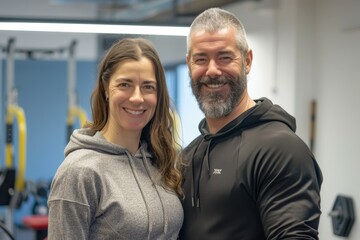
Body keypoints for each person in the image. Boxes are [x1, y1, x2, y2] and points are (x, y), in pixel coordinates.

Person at [179, 8, 323, 240]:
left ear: (247, 60)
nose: (212, 70)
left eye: (224, 57)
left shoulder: (280, 149)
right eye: (201, 59)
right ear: (189, 64)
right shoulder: (189, 155)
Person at [48, 38, 184, 239]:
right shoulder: (79, 172)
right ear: (106, 89)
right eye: (125, 84)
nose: (137, 98)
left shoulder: (158, 161)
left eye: (148, 87)